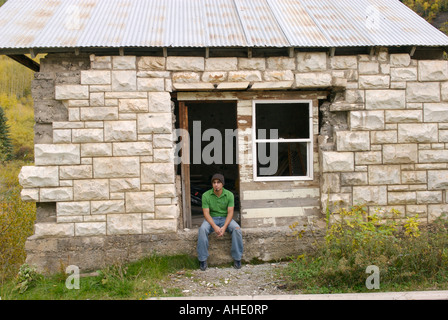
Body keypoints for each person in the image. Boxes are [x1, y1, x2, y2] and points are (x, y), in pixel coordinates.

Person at [197, 173, 243, 271]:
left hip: (225, 218)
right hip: (211, 218)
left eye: (218, 182)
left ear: (222, 184)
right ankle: (202, 259)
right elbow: (206, 213)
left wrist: (224, 227)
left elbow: (231, 213)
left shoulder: (229, 195)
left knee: (237, 229)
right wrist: (214, 226)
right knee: (202, 229)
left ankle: (237, 258)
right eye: (214, 182)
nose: (216, 184)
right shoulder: (206, 195)